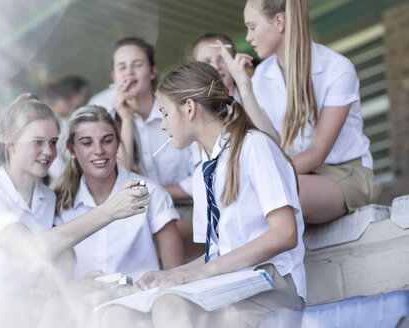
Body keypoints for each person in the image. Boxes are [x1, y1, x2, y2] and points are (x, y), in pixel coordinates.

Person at [101, 62, 306, 328]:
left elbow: (285, 233)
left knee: (171, 306)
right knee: (120, 315)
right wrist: (170, 274)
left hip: (272, 282)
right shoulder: (202, 173)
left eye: (164, 114)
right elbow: (214, 254)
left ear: (189, 108)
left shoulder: (254, 147)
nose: (163, 125)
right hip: (229, 281)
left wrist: (201, 273)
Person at [0, 94, 149, 328]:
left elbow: (32, 280)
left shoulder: (47, 199)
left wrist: (75, 287)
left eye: (53, 142)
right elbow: (32, 249)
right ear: (10, 143)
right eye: (37, 142)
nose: (48, 151)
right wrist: (109, 211)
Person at [218, 0, 380, 224]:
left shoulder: (337, 68)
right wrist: (244, 87)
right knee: (260, 194)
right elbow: (271, 143)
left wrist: (267, 176)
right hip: (298, 173)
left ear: (279, 21)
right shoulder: (263, 74)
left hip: (346, 174)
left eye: (252, 27)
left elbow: (318, 150)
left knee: (278, 193)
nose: (248, 37)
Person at [89, 36, 202, 261]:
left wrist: (158, 191)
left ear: (152, 71)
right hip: (140, 211)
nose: (129, 73)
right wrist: (126, 120)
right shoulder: (108, 118)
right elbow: (117, 181)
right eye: (122, 67)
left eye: (137, 65)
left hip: (188, 207)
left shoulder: (177, 108)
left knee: (169, 234)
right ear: (114, 77)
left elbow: (199, 176)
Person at [54, 105, 185, 281]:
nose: (99, 150)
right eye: (87, 143)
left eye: (107, 140)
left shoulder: (152, 194)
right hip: (87, 304)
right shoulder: (61, 203)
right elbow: (63, 280)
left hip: (141, 301)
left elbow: (175, 274)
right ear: (72, 149)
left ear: (118, 144)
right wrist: (81, 287)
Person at [44, 76, 91, 182]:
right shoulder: (53, 125)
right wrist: (72, 179)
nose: (69, 103)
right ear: (59, 101)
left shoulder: (66, 119)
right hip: (65, 180)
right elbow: (53, 161)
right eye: (67, 99)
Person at [191, 32, 256, 103]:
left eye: (223, 59)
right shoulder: (193, 108)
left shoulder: (257, 95)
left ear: (234, 60)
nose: (216, 66)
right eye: (207, 62)